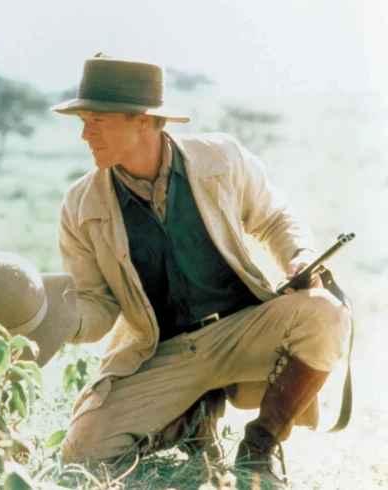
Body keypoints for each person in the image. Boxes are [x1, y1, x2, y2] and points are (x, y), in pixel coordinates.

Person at [51, 54, 351, 485]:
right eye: (84, 121)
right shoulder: (80, 205)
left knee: (327, 313)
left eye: (97, 120)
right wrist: (50, 318)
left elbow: (274, 218)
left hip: (242, 329)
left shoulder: (221, 158)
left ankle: (260, 447)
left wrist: (299, 256)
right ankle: (190, 420)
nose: (85, 134)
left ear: (143, 121)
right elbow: (96, 305)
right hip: (161, 352)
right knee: (82, 456)